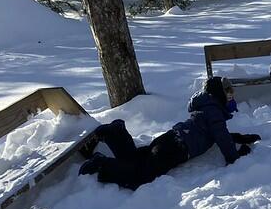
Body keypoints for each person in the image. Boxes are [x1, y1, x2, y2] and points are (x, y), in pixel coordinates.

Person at [78, 77, 260, 190]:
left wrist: (239, 137)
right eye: (227, 93)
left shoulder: (208, 109)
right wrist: (235, 156)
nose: (231, 97)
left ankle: (115, 133)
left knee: (136, 159)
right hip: (176, 149)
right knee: (141, 176)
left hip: (171, 139)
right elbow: (221, 136)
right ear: (217, 95)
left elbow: (217, 133)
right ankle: (102, 164)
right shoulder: (214, 112)